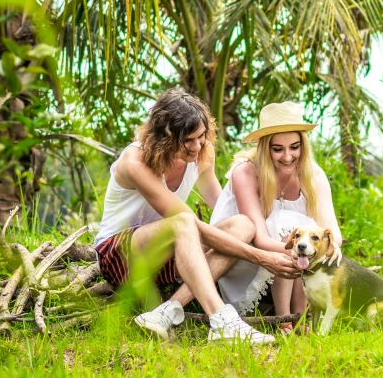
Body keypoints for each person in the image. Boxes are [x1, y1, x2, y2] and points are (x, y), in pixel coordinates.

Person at [92, 89, 300, 344]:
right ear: (164, 137)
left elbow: (221, 205)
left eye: (201, 137)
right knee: (184, 221)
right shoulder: (135, 161)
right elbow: (191, 224)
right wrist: (261, 256)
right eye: (188, 140)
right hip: (121, 256)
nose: (197, 146)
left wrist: (267, 234)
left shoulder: (202, 151)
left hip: (172, 254)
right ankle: (222, 320)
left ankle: (167, 311)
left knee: (243, 224)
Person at [210, 101, 342, 332]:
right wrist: (298, 249)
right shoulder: (246, 171)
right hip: (245, 255)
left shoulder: (313, 174)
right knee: (292, 227)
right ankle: (284, 318)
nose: (288, 156)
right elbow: (259, 238)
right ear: (265, 147)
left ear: (303, 145)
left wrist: (327, 248)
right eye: (278, 149)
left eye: (294, 147)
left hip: (294, 255)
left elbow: (332, 231)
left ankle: (300, 315)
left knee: (305, 232)